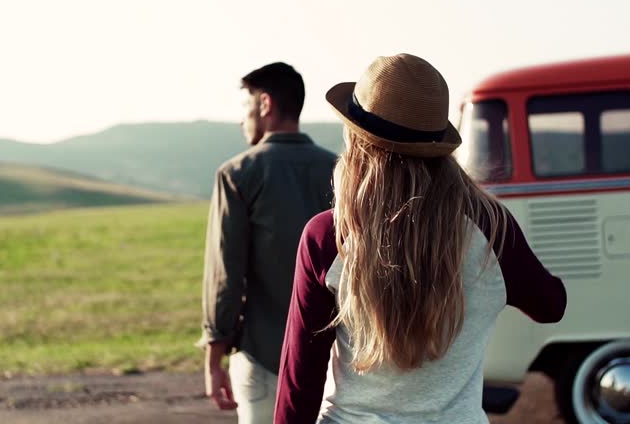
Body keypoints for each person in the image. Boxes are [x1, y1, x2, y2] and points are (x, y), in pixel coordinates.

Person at [274, 54, 567, 424]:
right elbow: (551, 305)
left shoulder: (328, 237)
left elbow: (301, 377)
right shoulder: (491, 229)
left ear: (356, 142)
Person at [199, 62, 337, 423]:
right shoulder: (343, 172)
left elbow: (226, 276)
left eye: (246, 107)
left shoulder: (237, 174)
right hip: (334, 361)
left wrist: (213, 359)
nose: (243, 120)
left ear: (265, 104)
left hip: (263, 357)